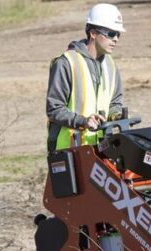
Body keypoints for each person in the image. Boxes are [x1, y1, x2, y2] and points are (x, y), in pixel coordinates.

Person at [46, 3, 126, 152]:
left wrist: (116, 115)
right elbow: (54, 109)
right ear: (93, 33)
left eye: (118, 34)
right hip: (67, 151)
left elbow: (116, 102)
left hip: (100, 150)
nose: (115, 39)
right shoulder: (66, 63)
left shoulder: (111, 66)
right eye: (111, 34)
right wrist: (83, 121)